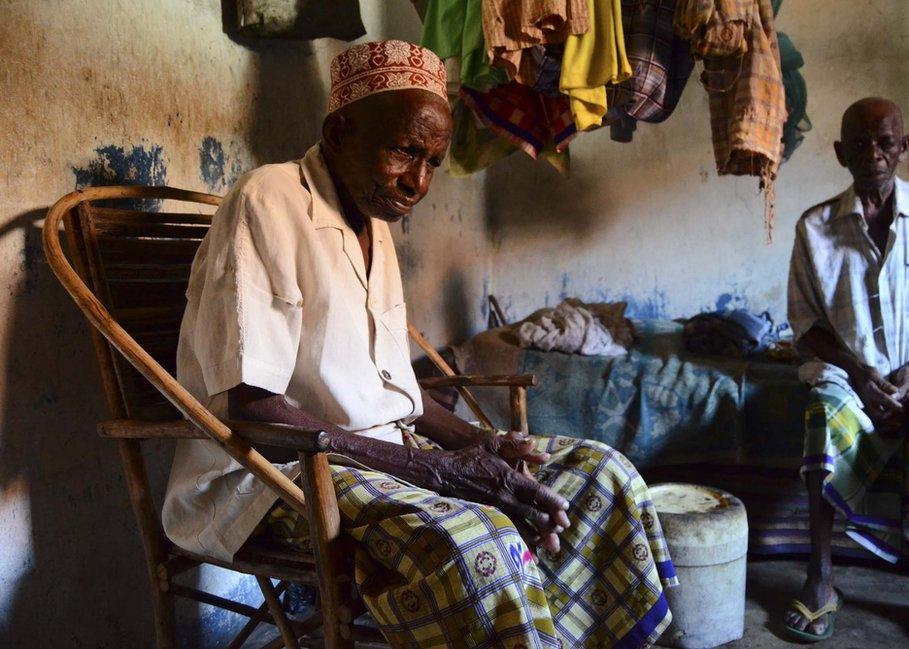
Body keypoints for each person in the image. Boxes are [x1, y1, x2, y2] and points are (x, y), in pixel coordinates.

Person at [162, 40, 676, 648]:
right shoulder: (267, 201)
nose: (419, 182)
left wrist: (482, 445)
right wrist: (434, 467)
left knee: (601, 475)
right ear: (339, 131)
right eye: (405, 151)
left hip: (377, 457)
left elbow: (394, 398)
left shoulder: (374, 222)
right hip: (271, 477)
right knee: (480, 539)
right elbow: (249, 408)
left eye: (433, 160)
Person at [785, 96, 909, 646]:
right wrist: (863, 375)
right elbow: (805, 327)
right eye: (861, 143)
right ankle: (821, 577)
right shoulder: (814, 227)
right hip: (853, 374)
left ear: (904, 148)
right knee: (824, 406)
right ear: (841, 151)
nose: (874, 154)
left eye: (886, 142)